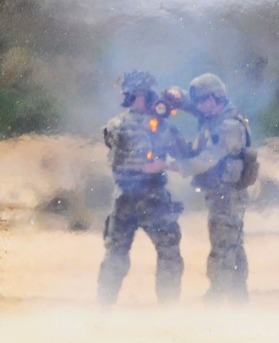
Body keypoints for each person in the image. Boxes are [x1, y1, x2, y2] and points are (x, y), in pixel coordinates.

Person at [97, 70, 189, 306]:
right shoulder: (161, 127)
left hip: (122, 199)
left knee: (115, 254)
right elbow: (184, 153)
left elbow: (110, 143)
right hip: (153, 198)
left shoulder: (114, 124)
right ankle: (168, 309)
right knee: (169, 252)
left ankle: (103, 308)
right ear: (145, 94)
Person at [166, 73, 251, 303]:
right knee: (233, 244)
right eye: (198, 101)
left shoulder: (229, 126)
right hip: (219, 193)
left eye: (203, 100)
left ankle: (217, 295)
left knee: (223, 245)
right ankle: (238, 299)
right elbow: (190, 103)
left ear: (216, 98)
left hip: (229, 195)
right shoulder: (211, 113)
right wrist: (176, 94)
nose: (199, 106)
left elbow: (207, 159)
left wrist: (175, 165)